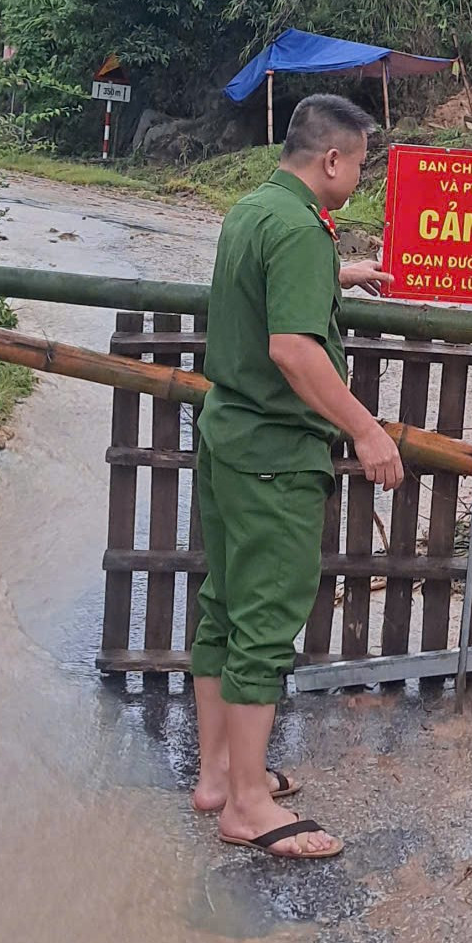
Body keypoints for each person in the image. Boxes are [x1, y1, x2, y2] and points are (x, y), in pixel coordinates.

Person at [188, 94, 403, 861]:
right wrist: (367, 430)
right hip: (275, 452)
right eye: (360, 168)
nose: (360, 184)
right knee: (265, 621)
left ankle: (219, 773)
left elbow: (262, 292)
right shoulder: (299, 229)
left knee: (223, 603)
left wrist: (338, 274)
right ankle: (247, 806)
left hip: (226, 433)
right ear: (332, 160)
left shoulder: (254, 209)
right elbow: (294, 350)